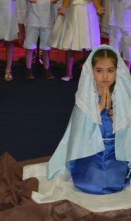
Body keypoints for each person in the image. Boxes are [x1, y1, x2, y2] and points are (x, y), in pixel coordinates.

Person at [47, 45, 131, 194]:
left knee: (113, 180)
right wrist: (98, 108)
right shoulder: (85, 100)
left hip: (115, 153)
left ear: (117, 72)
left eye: (110, 71)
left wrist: (115, 115)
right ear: (91, 72)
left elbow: (126, 134)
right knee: (92, 180)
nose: (105, 77)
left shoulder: (122, 98)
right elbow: (79, 134)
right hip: (90, 153)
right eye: (99, 71)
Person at [49, 0, 104, 81]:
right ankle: (69, 73)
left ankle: (90, 74)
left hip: (87, 15)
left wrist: (99, 7)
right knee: (70, 44)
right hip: (73, 15)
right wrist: (63, 7)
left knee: (87, 45)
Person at [24, 0, 58, 80]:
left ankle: (46, 68)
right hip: (33, 19)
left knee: (46, 47)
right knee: (29, 45)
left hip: (47, 21)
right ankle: (28, 68)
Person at [109, 0, 131, 68]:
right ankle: (114, 73)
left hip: (128, 26)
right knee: (114, 50)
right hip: (115, 24)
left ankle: (126, 73)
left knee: (128, 51)